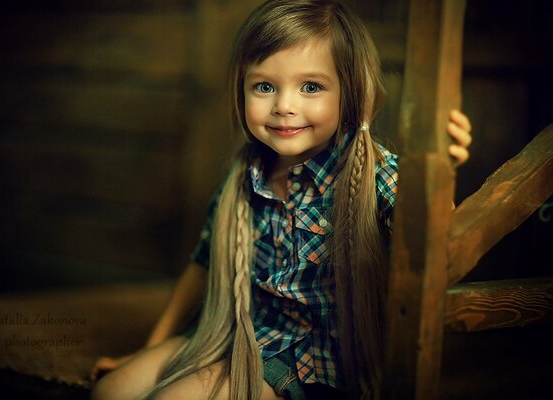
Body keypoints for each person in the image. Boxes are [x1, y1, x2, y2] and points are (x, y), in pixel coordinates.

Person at [90, 0, 473, 399]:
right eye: (265, 86)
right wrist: (150, 348)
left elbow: (436, 249)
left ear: (352, 93)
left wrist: (439, 171)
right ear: (242, 90)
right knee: (110, 392)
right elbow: (201, 267)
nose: (284, 106)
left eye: (311, 87)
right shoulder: (244, 176)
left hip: (315, 362)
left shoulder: (381, 176)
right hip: (239, 333)